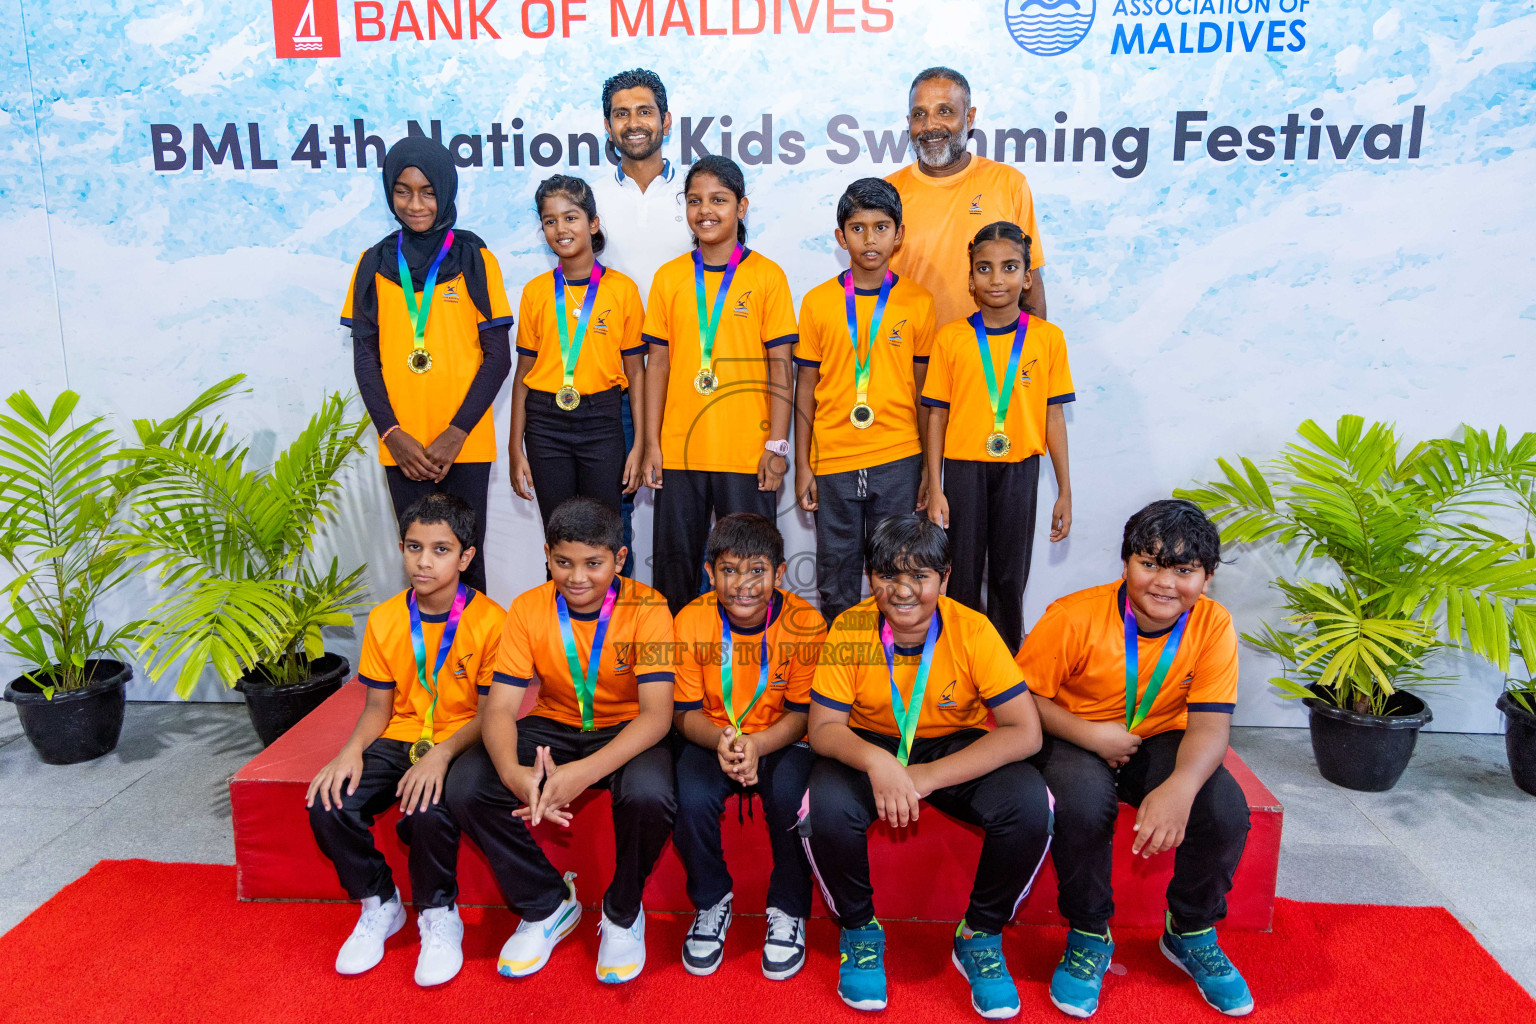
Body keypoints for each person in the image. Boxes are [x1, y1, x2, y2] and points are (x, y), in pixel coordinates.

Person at [803, 514, 1053, 1019]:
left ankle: (979, 936)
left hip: (949, 746)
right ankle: (859, 931)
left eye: (920, 576)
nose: (903, 590)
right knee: (822, 809)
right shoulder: (850, 627)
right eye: (888, 574)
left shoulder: (973, 629)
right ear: (870, 577)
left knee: (1032, 806)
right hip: (871, 740)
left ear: (945, 578)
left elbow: (1025, 731)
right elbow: (824, 728)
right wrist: (878, 763)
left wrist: (925, 777)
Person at [1018, 499, 1253, 1019]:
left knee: (1225, 810)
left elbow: (1212, 724)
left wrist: (1180, 788)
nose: (1165, 583)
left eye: (1184, 570)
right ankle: (1089, 933)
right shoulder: (1072, 615)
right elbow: (1021, 701)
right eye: (1149, 564)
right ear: (1124, 564)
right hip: (1075, 733)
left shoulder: (1213, 626)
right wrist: (1090, 734)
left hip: (1159, 738)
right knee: (1081, 805)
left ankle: (1189, 930)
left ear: (1207, 578)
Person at [444, 497, 676, 984]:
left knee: (651, 795)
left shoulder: (650, 608)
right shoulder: (528, 608)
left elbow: (657, 717)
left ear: (620, 558)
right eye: (563, 562)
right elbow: (503, 708)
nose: (577, 577)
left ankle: (621, 909)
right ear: (547, 554)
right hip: (555, 723)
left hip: (627, 727)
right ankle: (547, 903)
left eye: (594, 563)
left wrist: (581, 774)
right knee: (467, 783)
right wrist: (512, 772)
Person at [306, 493, 505, 988]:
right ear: (400, 547)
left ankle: (440, 915)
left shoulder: (491, 622)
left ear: (466, 557)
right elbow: (378, 707)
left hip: (461, 738)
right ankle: (380, 903)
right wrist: (349, 752)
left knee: (428, 808)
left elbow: (490, 715)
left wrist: (440, 755)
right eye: (414, 547)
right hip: (399, 737)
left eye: (441, 550)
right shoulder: (386, 619)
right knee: (328, 803)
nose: (424, 561)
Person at [343, 136, 513, 595]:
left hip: (464, 444)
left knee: (464, 564)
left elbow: (498, 357)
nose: (415, 203)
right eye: (402, 191)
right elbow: (366, 360)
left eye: (428, 191)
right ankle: (425, 664)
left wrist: (456, 432)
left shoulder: (474, 258)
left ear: (446, 190)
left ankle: (474, 664)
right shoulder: (373, 263)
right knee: (420, 571)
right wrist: (391, 435)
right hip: (404, 448)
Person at [671, 513, 826, 980]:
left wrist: (757, 743)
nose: (742, 584)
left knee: (790, 800)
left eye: (757, 571)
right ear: (710, 572)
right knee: (689, 800)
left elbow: (802, 714)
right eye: (729, 570)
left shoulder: (805, 622)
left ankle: (788, 908)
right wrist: (722, 742)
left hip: (780, 736)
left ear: (779, 574)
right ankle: (711, 900)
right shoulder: (691, 619)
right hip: (712, 734)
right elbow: (681, 713)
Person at [641, 154, 798, 614]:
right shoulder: (670, 278)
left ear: (741, 207)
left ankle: (750, 663)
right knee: (675, 569)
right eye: (694, 200)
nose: (705, 210)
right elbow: (659, 367)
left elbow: (781, 369)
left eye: (718, 200)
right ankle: (674, 671)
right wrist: (652, 444)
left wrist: (778, 445)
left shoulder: (767, 276)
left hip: (747, 454)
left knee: (748, 569)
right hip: (680, 451)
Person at [922, 221, 1074, 653]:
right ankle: (960, 663)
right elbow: (936, 417)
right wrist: (935, 485)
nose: (996, 279)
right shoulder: (951, 338)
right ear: (970, 278)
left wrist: (1064, 490)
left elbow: (1054, 418)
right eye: (984, 269)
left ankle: (1005, 665)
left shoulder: (1047, 339)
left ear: (1027, 277)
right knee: (963, 574)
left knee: (1010, 575)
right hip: (964, 471)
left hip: (1021, 470)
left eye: (1009, 268)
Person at [794, 177, 937, 625]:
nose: (869, 239)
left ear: (899, 235)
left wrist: (930, 472)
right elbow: (805, 391)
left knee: (897, 571)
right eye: (857, 228)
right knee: (835, 575)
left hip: (898, 458)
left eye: (880, 227)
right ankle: (839, 667)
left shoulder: (918, 302)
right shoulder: (817, 303)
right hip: (833, 460)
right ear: (841, 237)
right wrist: (803, 464)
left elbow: (924, 396)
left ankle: (891, 662)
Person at [591, 68, 694, 573]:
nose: (634, 123)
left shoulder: (697, 194)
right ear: (608, 127)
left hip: (690, 381)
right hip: (616, 383)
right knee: (616, 517)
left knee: (695, 518)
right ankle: (618, 634)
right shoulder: (591, 201)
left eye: (644, 111)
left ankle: (695, 632)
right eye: (621, 114)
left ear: (666, 121)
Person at [507, 174, 647, 527]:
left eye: (570, 217)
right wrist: (514, 448)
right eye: (549, 221)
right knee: (558, 533)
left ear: (592, 223)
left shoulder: (622, 290)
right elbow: (523, 374)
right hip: (545, 424)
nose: (560, 228)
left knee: (603, 532)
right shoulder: (536, 292)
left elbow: (636, 373)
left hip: (602, 421)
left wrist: (640, 443)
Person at [886, 67, 1048, 329]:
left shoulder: (1008, 183)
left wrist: (1034, 356)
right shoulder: (886, 192)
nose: (931, 125)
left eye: (945, 111)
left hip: (987, 363)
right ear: (909, 122)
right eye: (920, 114)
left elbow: (1030, 284)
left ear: (970, 117)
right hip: (908, 360)